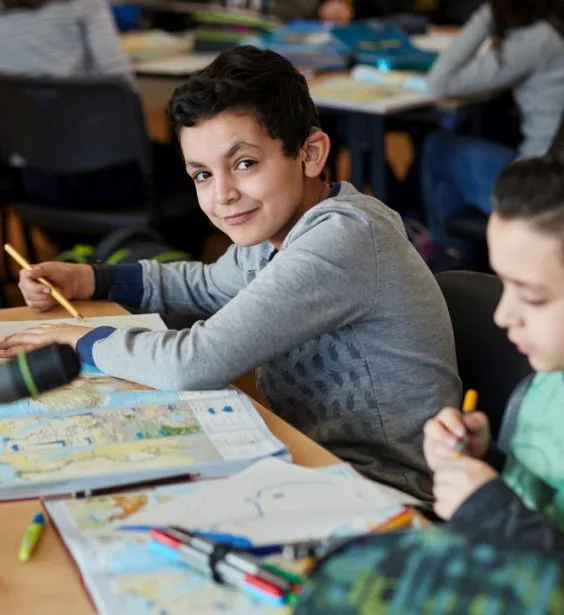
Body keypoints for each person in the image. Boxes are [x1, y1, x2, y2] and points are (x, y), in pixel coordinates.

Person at [0, 46, 461, 500]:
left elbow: (196, 361)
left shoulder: (345, 237)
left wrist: (75, 340)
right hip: (299, 460)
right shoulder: (274, 228)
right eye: (202, 174)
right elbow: (206, 285)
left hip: (383, 491)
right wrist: (95, 280)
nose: (223, 195)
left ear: (311, 153)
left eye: (244, 164)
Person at [423, 153, 564, 553]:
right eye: (503, 284)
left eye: (532, 297)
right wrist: (489, 463)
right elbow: (547, 498)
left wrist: (491, 510)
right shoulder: (546, 385)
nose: (503, 316)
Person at [0, 0, 202, 252]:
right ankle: (177, 272)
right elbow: (123, 86)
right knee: (196, 170)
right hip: (108, 182)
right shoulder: (84, 6)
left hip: (35, 183)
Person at [421, 0, 564, 252]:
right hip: (551, 165)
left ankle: (448, 253)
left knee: (439, 146)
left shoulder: (535, 39)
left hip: (540, 182)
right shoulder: (553, 29)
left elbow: (439, 84)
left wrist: (487, 15)